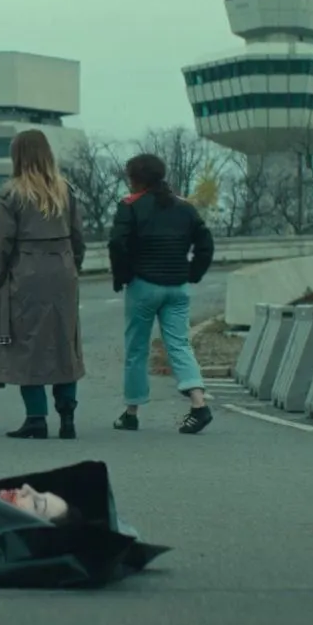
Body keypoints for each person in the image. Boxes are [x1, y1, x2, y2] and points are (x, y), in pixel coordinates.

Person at [0, 129, 87, 440]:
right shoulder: (65, 190)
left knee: (27, 344)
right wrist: (73, 265)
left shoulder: (12, 193)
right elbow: (78, 236)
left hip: (26, 273)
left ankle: (36, 417)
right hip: (63, 270)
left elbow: (3, 243)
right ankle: (67, 416)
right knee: (64, 342)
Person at [107, 153, 215, 434]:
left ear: (135, 179)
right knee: (180, 344)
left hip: (143, 285)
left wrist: (122, 276)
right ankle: (199, 404)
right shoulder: (185, 207)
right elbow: (205, 242)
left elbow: (117, 243)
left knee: (137, 349)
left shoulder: (130, 206)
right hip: (177, 286)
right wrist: (193, 272)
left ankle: (131, 413)